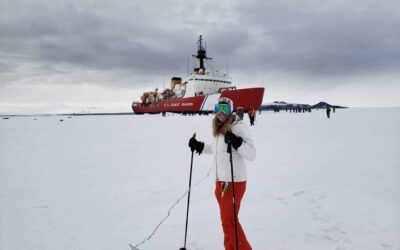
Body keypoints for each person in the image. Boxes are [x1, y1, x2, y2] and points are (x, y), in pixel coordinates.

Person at [188, 97, 255, 250]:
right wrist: (199, 146)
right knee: (227, 221)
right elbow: (216, 149)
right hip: (220, 183)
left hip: (234, 183)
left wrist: (237, 142)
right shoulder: (218, 128)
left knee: (229, 221)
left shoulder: (238, 127)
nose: (222, 113)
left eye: (225, 109)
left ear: (231, 110)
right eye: (219, 108)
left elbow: (252, 154)